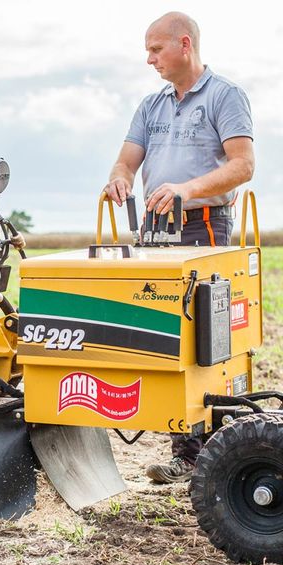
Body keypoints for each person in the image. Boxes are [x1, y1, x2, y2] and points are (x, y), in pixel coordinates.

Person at [104, 11, 254, 483]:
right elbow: (127, 162)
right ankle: (186, 449)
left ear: (184, 44)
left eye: (155, 49)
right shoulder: (151, 106)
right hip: (154, 229)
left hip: (202, 227)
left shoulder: (225, 96)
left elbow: (243, 165)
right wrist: (119, 180)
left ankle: (204, 451)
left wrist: (186, 189)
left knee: (204, 336)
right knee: (164, 332)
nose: (149, 59)